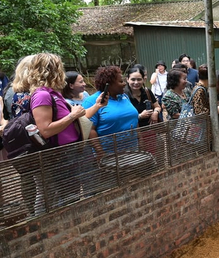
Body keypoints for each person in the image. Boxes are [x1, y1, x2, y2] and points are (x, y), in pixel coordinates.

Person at [28, 54, 91, 209]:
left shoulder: (53, 93)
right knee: (63, 200)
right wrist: (73, 115)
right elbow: (45, 130)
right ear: (53, 70)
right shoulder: (42, 95)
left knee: (72, 196)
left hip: (70, 153)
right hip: (60, 156)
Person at [83, 66, 138, 152]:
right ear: (108, 84)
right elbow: (90, 130)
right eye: (121, 81)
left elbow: (134, 120)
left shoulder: (124, 96)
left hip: (132, 148)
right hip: (109, 153)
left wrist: (140, 141)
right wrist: (100, 152)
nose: (124, 84)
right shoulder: (92, 101)